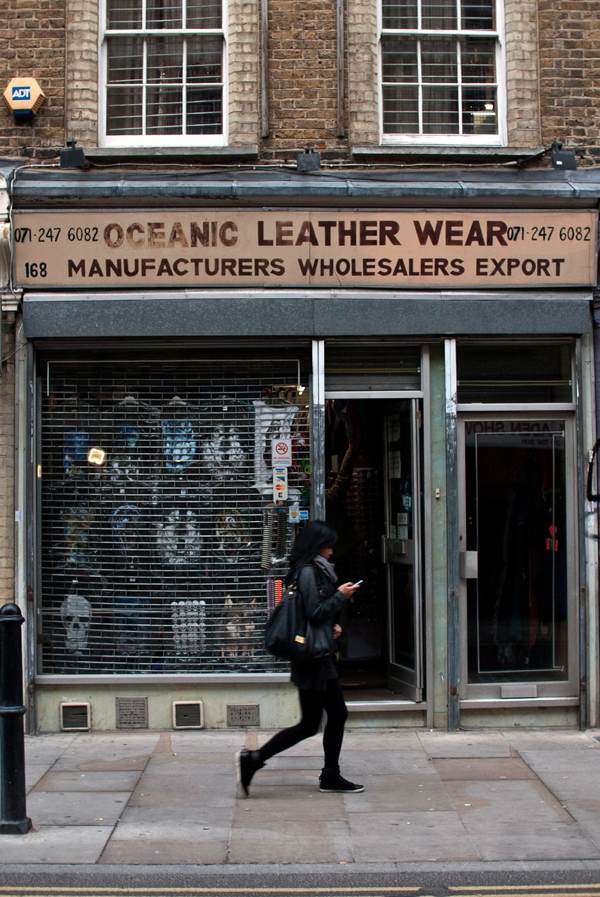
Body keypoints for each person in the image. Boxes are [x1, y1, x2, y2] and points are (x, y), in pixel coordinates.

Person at [236, 520, 364, 797]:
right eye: (328, 546)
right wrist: (341, 596)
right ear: (318, 546)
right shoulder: (308, 571)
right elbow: (314, 612)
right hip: (312, 657)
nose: (332, 551)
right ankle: (255, 759)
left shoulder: (314, 570)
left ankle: (329, 774)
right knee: (313, 722)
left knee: (331, 716)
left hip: (317, 654)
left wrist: (332, 626)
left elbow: (313, 614)